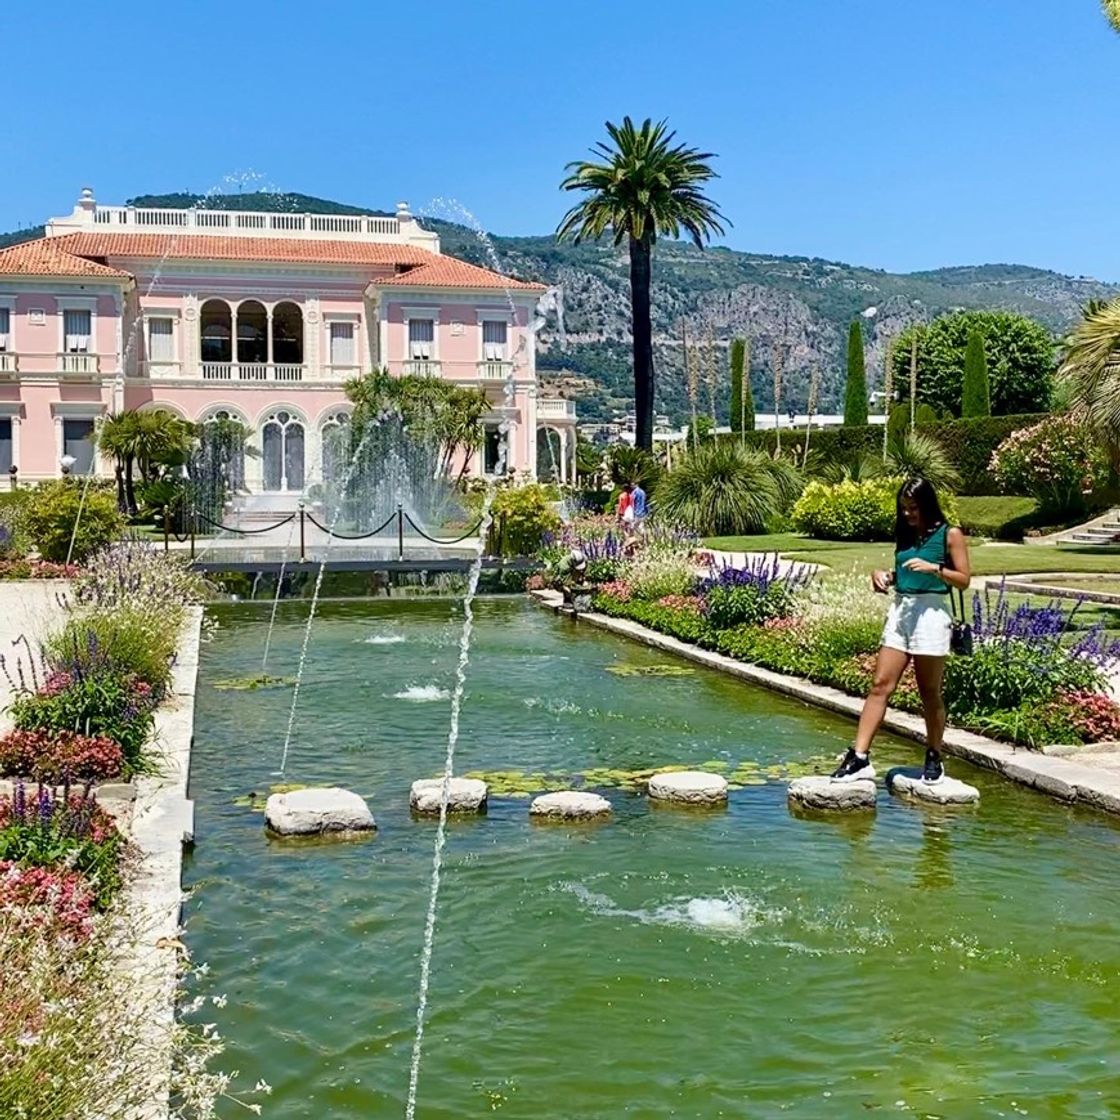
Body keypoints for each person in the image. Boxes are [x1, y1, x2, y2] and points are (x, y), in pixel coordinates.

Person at [832, 477, 971, 785]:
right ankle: (860, 757)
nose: (908, 514)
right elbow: (906, 571)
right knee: (880, 684)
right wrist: (882, 575)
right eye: (904, 509)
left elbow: (963, 580)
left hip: (931, 613)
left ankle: (934, 754)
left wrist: (935, 569)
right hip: (901, 611)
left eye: (914, 508)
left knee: (929, 692)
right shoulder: (905, 535)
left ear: (928, 505)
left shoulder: (950, 534)